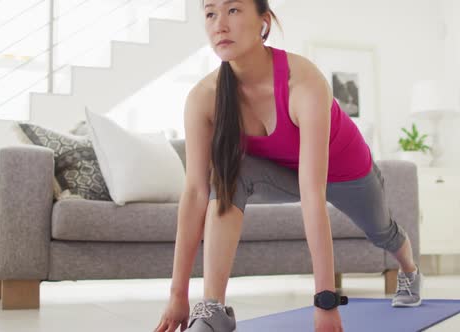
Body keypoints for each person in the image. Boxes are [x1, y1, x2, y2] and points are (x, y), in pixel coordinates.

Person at [154, 1, 422, 331]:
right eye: (210, 13)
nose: (219, 24)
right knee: (226, 176)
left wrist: (325, 301)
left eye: (233, 10)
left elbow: (313, 193)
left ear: (263, 23)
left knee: (382, 232)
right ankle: (212, 309)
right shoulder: (203, 97)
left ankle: (409, 270)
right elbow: (196, 192)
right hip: (283, 174)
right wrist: (177, 294)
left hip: (348, 173)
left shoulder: (303, 80)